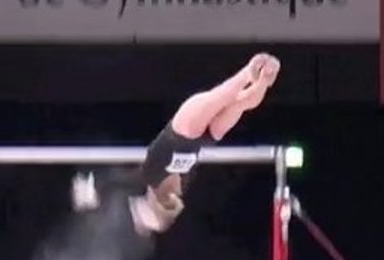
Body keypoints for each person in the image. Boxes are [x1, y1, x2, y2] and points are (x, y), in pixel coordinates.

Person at [72, 53, 281, 236]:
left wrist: (92, 189)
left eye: (162, 206)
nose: (171, 203)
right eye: (170, 208)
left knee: (222, 96)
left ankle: (248, 72)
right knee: (242, 104)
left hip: (183, 128)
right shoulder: (182, 186)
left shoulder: (150, 174)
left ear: (152, 198)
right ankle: (264, 80)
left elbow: (116, 181)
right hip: (205, 138)